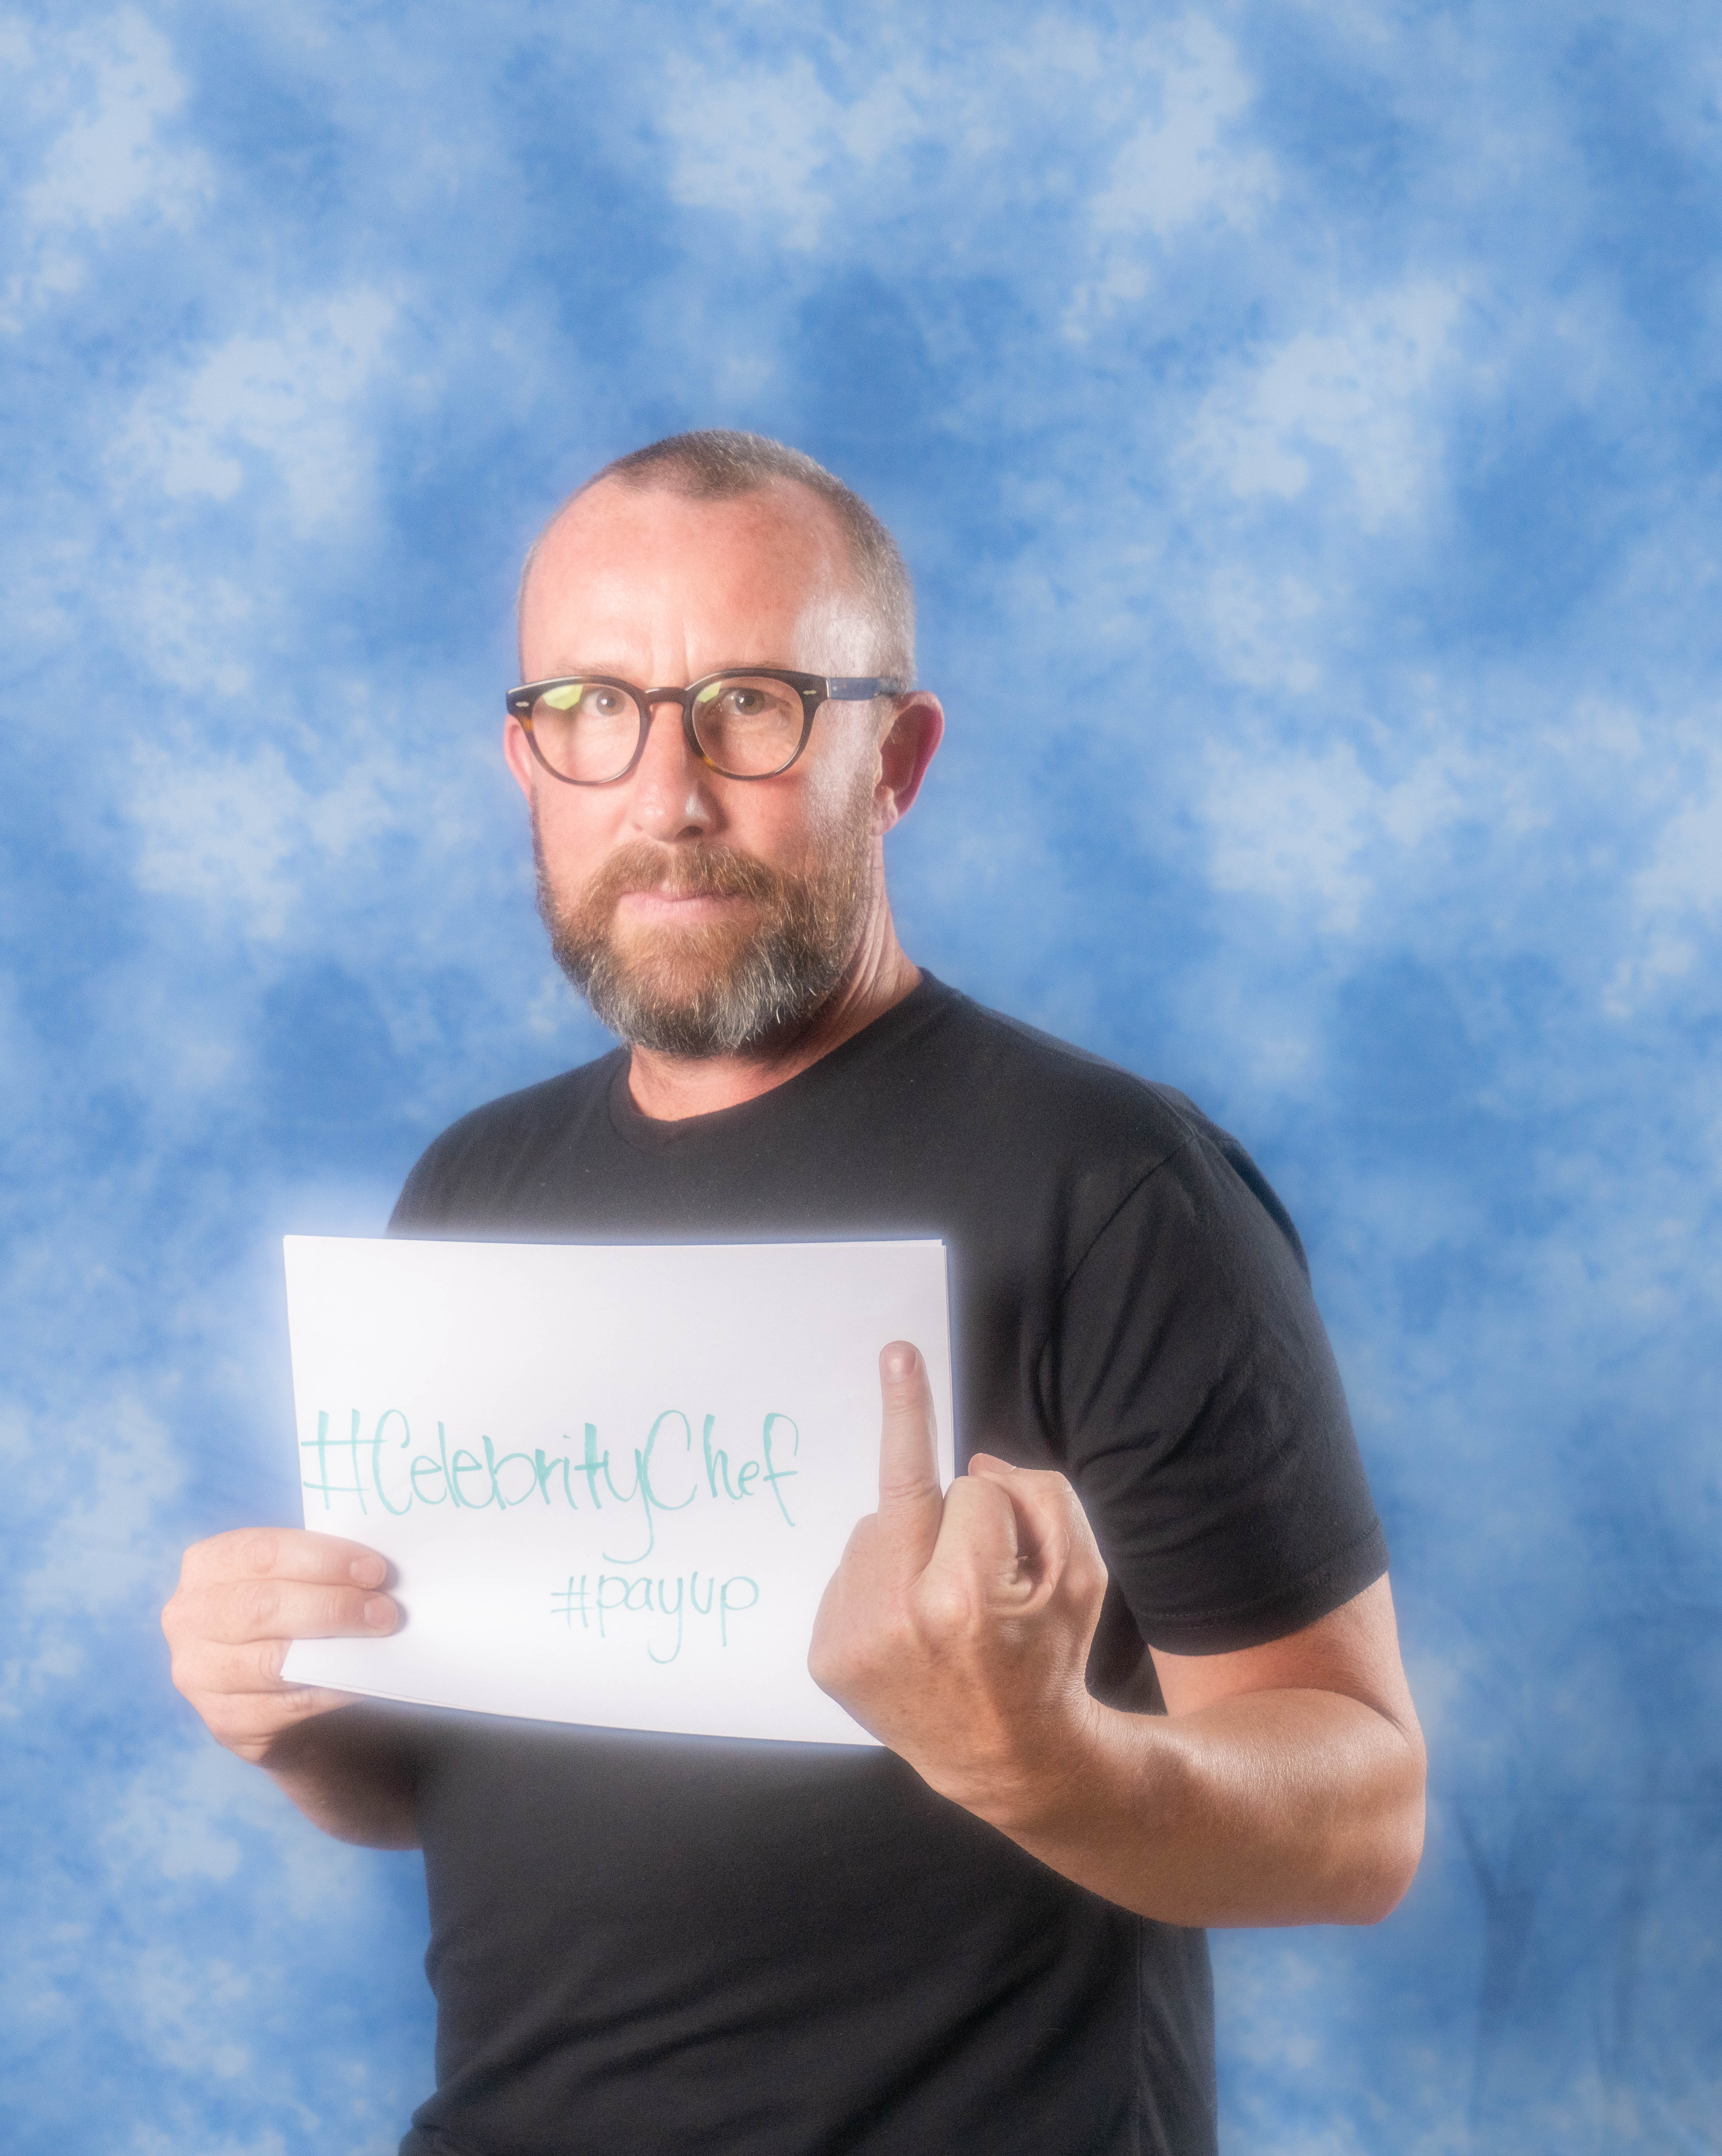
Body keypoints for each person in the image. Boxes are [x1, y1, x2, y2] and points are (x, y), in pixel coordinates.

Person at [162, 431, 1425, 2153]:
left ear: (894, 757)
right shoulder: (471, 1194)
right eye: (594, 708)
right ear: (526, 759)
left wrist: (1055, 1760)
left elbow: (1364, 1816)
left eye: (750, 706)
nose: (668, 795)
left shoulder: (1118, 1187)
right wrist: (295, 1719)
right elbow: (464, 1786)